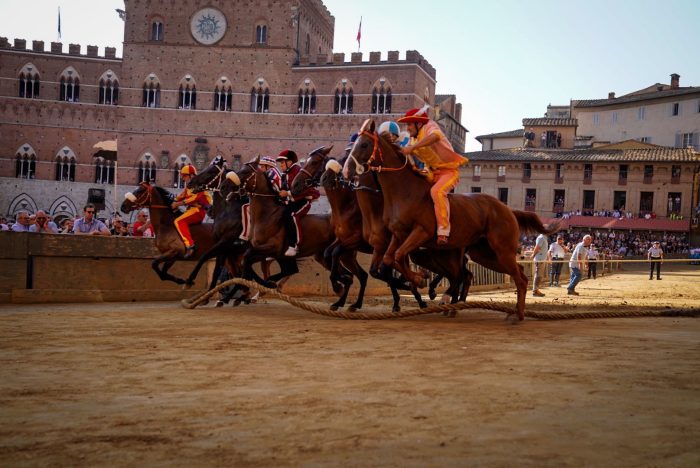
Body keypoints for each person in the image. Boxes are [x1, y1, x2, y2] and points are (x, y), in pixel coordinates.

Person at [398, 105, 468, 245]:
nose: (407, 128)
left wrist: (412, 148)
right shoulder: (412, 140)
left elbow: (435, 137)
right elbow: (422, 163)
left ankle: (443, 231)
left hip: (449, 172)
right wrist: (419, 170)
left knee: (437, 192)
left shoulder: (430, 126)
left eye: (410, 124)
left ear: (419, 123)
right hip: (432, 173)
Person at [275, 149, 320, 256]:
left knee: (291, 215)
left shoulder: (297, 171)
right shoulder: (285, 174)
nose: (281, 165)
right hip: (292, 201)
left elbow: (303, 190)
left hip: (303, 201)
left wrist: (288, 193)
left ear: (289, 162)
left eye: (282, 163)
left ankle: (294, 245)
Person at [171, 164, 212, 258]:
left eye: (184, 176)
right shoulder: (188, 187)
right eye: (182, 176)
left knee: (178, 221)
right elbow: (180, 197)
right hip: (191, 210)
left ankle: (190, 246)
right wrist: (172, 202)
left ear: (192, 175)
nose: (183, 178)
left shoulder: (200, 185)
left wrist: (178, 204)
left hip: (198, 211)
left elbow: (194, 198)